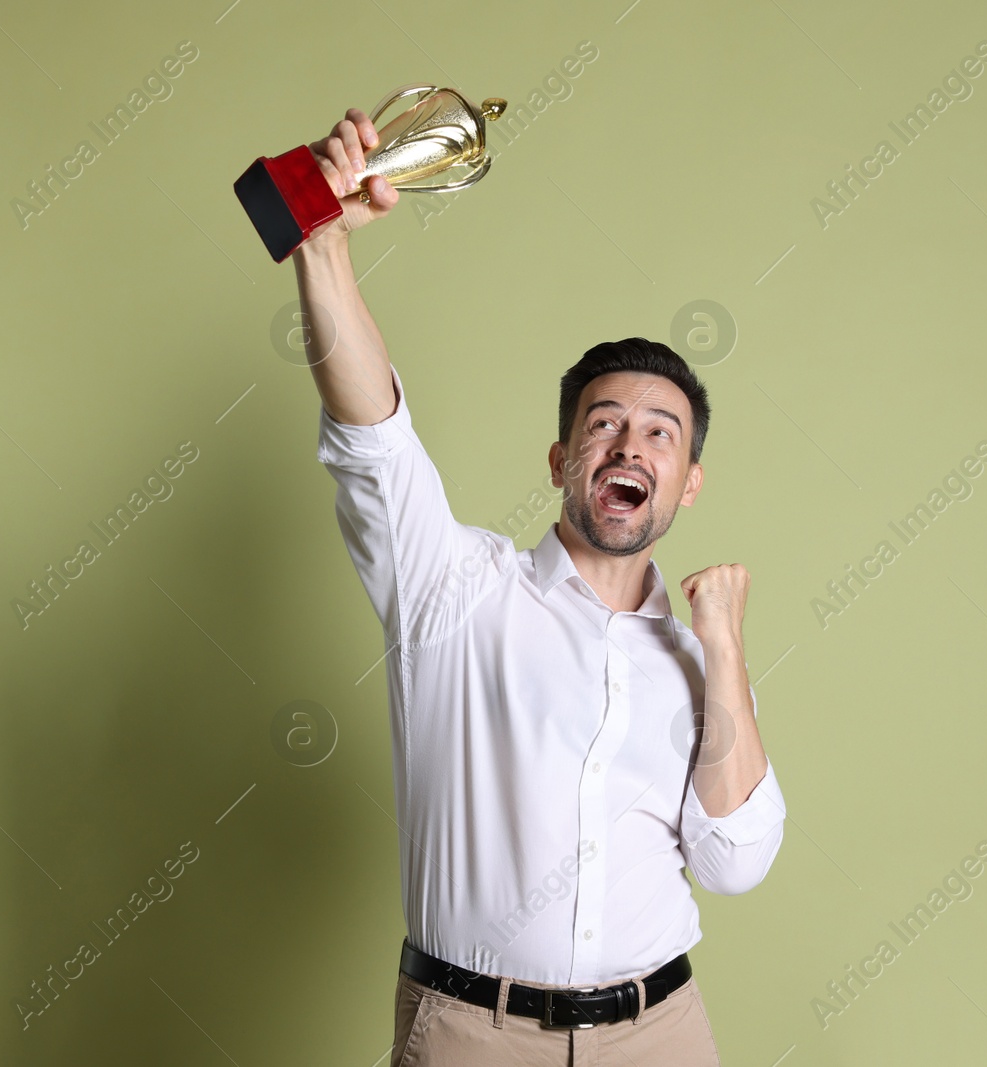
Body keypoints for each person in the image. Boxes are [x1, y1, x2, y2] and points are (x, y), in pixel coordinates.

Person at [292, 107, 789, 1066]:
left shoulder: (699, 664)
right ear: (564, 458)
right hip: (475, 1034)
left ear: (687, 484)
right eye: (605, 424)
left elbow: (734, 862)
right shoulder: (453, 588)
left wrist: (723, 646)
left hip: (662, 1033)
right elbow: (375, 439)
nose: (630, 442)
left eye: (661, 431)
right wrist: (322, 247)